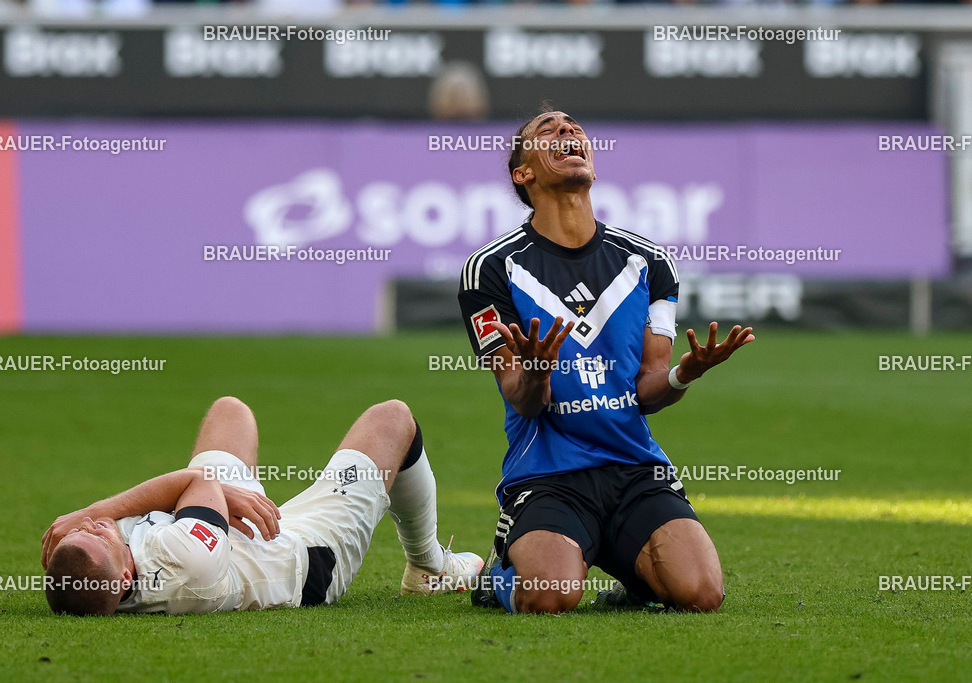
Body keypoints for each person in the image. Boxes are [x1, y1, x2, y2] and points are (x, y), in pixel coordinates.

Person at [457, 109, 754, 614]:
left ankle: (633, 577)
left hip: (635, 468)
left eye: (573, 127)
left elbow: (648, 391)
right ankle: (493, 579)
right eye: (547, 131)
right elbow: (522, 401)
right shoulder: (490, 269)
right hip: (548, 475)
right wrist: (536, 370)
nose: (567, 132)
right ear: (522, 173)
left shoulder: (650, 263)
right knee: (549, 599)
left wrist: (686, 373)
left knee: (701, 595)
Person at [40, 396, 483, 616]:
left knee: (230, 412)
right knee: (392, 419)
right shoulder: (182, 564)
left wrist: (209, 495)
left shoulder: (98, 573)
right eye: (97, 531)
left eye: (87, 527)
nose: (98, 523)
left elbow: (194, 489)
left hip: (231, 532)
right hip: (305, 552)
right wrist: (88, 512)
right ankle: (430, 566)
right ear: (123, 577)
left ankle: (220, 500)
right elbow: (195, 483)